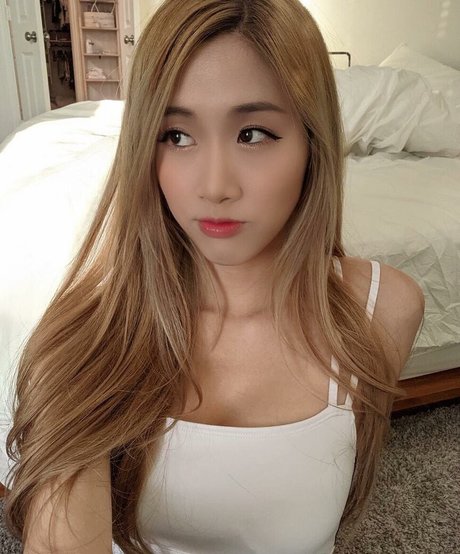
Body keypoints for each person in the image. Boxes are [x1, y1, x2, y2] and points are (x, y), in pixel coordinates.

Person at [2, 0, 425, 553]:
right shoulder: (88, 336)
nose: (215, 186)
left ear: (312, 144)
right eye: (177, 136)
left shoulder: (385, 309)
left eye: (253, 134)